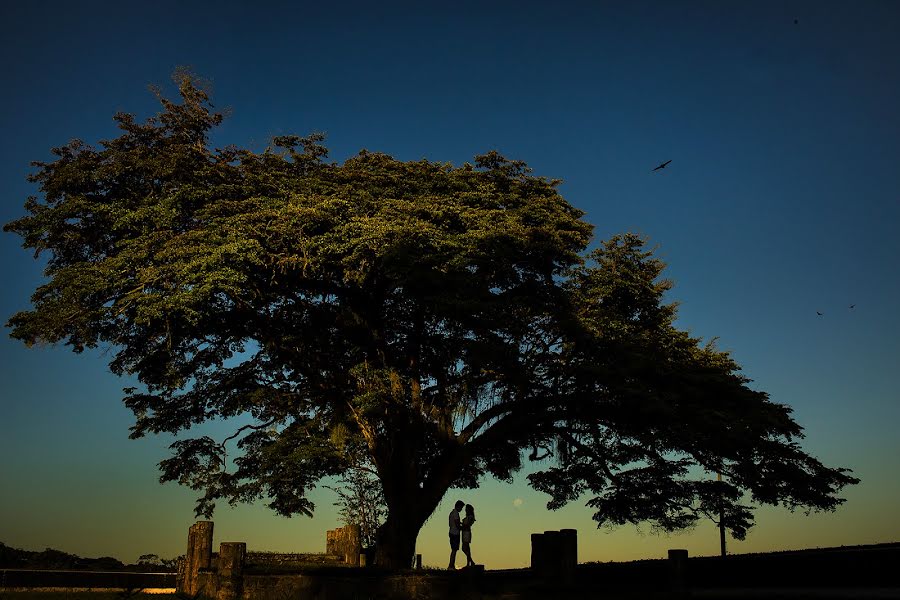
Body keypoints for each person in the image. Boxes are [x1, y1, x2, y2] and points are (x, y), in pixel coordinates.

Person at [447, 499, 464, 569]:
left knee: (454, 550)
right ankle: (451, 565)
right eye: (461, 508)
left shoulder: (451, 513)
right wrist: (463, 528)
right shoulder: (456, 513)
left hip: (451, 532)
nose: (461, 509)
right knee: (454, 550)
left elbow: (451, 523)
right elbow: (457, 525)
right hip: (455, 533)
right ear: (458, 506)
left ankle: (451, 565)